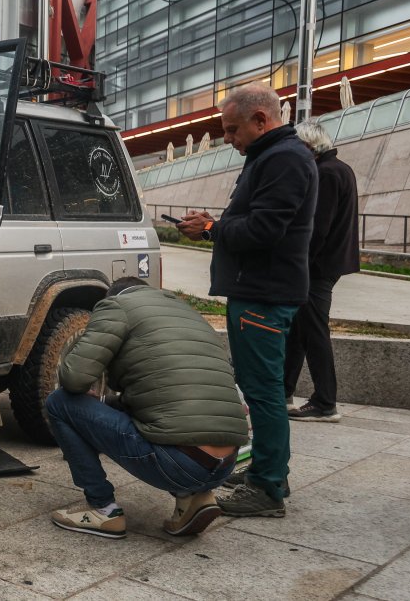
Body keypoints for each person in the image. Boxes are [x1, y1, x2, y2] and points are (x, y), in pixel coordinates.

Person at [179, 83, 317, 519]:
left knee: (263, 393)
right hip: (260, 291)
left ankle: (267, 487)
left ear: (262, 120)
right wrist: (216, 226)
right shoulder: (273, 157)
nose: (228, 138)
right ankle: (268, 469)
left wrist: (211, 230)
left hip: (263, 293)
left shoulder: (284, 159)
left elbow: (263, 231)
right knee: (262, 390)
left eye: (233, 129)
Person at [45, 278, 248, 539]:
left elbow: (74, 379)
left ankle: (102, 508)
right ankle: (194, 496)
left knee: (60, 402)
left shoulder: (116, 306)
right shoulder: (185, 312)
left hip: (179, 462)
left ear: (114, 296)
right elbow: (157, 399)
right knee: (171, 418)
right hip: (225, 463)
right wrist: (103, 404)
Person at [283, 121, 359, 423]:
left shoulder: (325, 173)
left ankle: (325, 402)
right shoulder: (341, 168)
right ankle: (284, 391)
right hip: (328, 264)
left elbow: (318, 228)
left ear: (310, 147)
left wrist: (297, 263)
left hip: (317, 267)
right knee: (300, 330)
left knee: (313, 332)